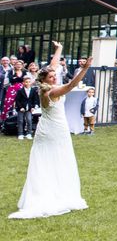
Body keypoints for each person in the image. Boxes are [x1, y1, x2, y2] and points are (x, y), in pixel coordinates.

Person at [9, 42, 93, 219]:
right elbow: (70, 86)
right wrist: (84, 69)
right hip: (53, 131)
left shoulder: (45, 86)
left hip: (50, 128)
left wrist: (59, 49)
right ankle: (50, 195)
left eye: (55, 76)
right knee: (55, 159)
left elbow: (53, 66)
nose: (55, 78)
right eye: (52, 77)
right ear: (44, 80)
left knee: (51, 159)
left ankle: (55, 190)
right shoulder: (50, 92)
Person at [15, 75, 40, 140]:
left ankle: (29, 133)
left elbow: (36, 100)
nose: (28, 83)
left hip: (29, 108)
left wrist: (34, 107)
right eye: (26, 82)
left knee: (29, 120)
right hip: (21, 108)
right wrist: (20, 107)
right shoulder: (20, 91)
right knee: (20, 121)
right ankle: (20, 133)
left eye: (29, 82)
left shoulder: (33, 90)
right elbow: (17, 100)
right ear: (23, 83)